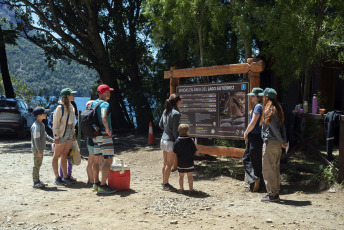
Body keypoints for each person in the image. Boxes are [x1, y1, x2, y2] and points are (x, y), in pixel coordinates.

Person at [258, 88, 288, 202]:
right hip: (277, 145)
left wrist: (281, 141)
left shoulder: (268, 110)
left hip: (270, 143)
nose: (262, 98)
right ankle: (275, 192)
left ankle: (272, 195)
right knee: (275, 169)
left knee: (268, 169)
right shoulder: (278, 109)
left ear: (266, 97)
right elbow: (282, 127)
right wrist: (284, 141)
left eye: (263, 97)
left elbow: (274, 129)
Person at [92, 84, 116, 194]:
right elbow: (103, 114)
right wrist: (107, 128)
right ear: (103, 93)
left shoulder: (93, 103)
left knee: (96, 160)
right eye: (108, 91)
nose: (109, 93)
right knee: (108, 160)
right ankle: (103, 185)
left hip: (95, 135)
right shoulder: (105, 104)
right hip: (104, 135)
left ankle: (96, 183)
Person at [52, 88, 77, 185]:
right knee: (56, 155)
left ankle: (65, 177)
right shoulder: (59, 108)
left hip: (70, 132)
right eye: (72, 94)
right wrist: (56, 136)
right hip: (62, 134)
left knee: (65, 155)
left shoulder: (71, 107)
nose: (74, 96)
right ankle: (57, 177)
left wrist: (74, 133)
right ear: (67, 96)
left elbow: (72, 122)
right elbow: (55, 124)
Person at [243, 88, 264, 192]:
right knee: (251, 159)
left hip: (255, 137)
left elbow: (253, 122)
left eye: (253, 95)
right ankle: (255, 181)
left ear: (258, 96)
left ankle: (255, 180)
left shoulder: (258, 107)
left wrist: (245, 133)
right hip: (257, 137)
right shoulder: (259, 106)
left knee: (251, 159)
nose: (251, 97)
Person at [159, 94, 181, 190]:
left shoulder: (165, 111)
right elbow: (176, 130)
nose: (181, 103)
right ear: (177, 101)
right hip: (170, 141)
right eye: (180, 101)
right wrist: (178, 140)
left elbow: (160, 125)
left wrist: (166, 130)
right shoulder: (176, 113)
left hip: (163, 139)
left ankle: (163, 181)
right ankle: (165, 184)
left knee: (165, 163)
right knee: (169, 163)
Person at [173, 124, 197, 193]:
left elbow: (175, 151)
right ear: (187, 131)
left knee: (181, 176)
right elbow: (194, 150)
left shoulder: (177, 141)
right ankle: (191, 189)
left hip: (180, 162)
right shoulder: (191, 140)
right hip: (189, 161)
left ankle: (181, 189)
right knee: (190, 175)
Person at [31, 107, 50, 188]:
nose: (46, 114)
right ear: (39, 116)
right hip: (37, 149)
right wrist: (39, 150)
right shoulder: (36, 126)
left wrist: (54, 141)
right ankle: (35, 182)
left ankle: (37, 180)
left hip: (40, 149)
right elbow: (36, 138)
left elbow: (45, 136)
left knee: (39, 164)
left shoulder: (41, 124)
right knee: (36, 164)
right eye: (44, 113)